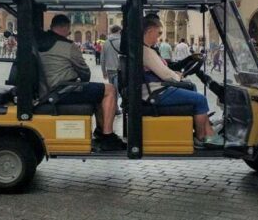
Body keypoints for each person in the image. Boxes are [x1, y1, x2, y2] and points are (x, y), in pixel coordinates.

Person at [37, 14, 121, 148]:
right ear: (65, 27)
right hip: (62, 91)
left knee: (98, 92)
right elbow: (85, 73)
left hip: (48, 89)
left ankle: (100, 130)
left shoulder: (39, 42)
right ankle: (107, 136)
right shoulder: (68, 46)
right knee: (110, 89)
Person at [141, 17, 222, 148]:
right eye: (158, 33)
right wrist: (178, 77)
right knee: (200, 99)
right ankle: (201, 138)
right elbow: (166, 74)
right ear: (149, 31)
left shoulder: (148, 49)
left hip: (156, 89)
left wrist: (180, 71)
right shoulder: (146, 52)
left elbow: (166, 70)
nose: (158, 37)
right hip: (155, 92)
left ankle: (207, 130)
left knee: (192, 89)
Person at [100, 25, 122, 115]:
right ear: (118, 31)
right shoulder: (121, 42)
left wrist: (103, 71)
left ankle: (113, 108)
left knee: (112, 90)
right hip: (118, 70)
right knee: (116, 90)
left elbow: (102, 59)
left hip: (109, 70)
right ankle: (115, 109)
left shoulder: (106, 42)